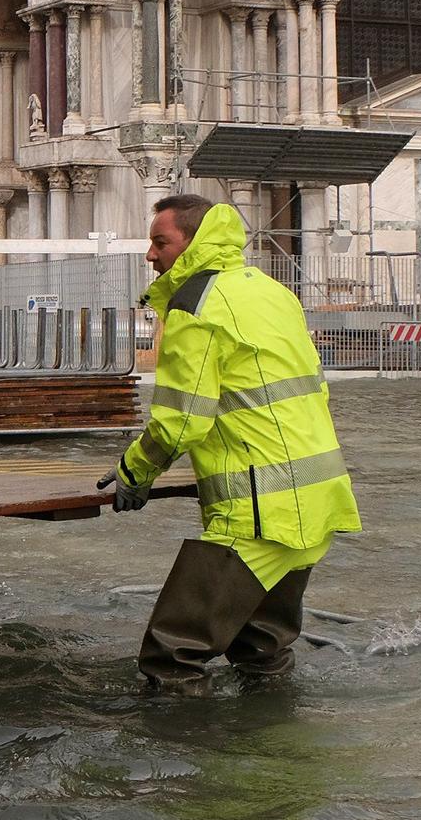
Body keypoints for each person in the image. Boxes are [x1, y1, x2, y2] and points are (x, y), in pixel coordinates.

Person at [105, 195, 360, 694]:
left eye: (161, 242)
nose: (150, 256)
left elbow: (181, 423)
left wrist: (133, 473)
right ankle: (271, 751)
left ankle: (189, 766)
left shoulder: (196, 307)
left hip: (257, 514)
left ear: (193, 243)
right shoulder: (270, 291)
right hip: (313, 500)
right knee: (260, 648)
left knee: (172, 654)